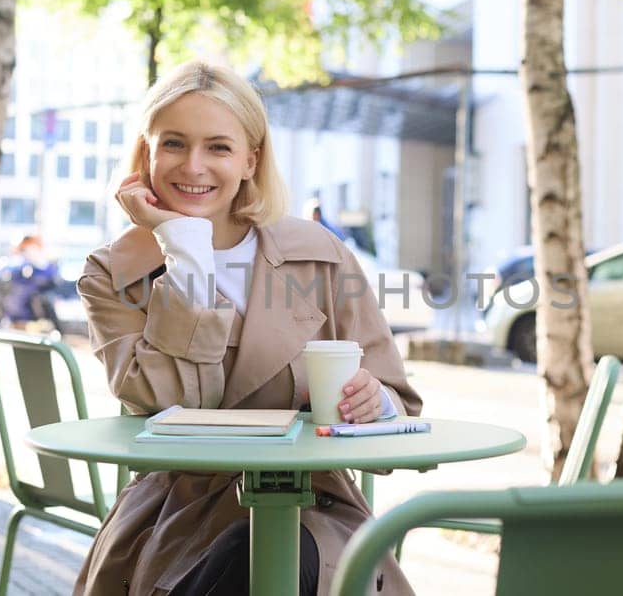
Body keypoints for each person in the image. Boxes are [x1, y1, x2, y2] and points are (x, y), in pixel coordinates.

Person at [75, 60, 422, 596]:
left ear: (249, 159)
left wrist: (372, 403)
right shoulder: (113, 273)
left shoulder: (320, 256)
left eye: (218, 146)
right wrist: (183, 249)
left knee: (272, 556)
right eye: (172, 144)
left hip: (311, 506)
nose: (193, 166)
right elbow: (165, 399)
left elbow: (399, 406)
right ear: (146, 152)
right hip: (175, 513)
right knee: (239, 560)